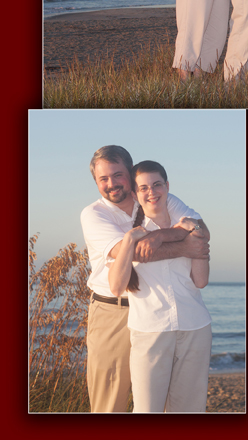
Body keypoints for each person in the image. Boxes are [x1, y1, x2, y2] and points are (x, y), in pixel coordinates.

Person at [80, 145, 207, 413]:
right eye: (103, 179)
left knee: (159, 403)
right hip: (112, 311)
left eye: (117, 175)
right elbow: (130, 254)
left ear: (130, 173)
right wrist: (184, 246)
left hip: (155, 313)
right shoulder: (93, 214)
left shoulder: (153, 195)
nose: (111, 184)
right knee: (110, 403)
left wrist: (162, 236)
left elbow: (199, 227)